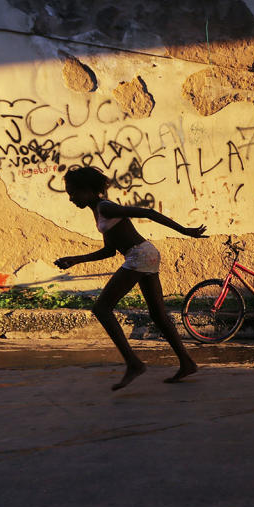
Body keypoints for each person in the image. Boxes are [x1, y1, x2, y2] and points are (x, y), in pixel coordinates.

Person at [54, 166, 207, 391]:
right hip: (146, 254)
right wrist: (75, 259)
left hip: (139, 255)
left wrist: (184, 230)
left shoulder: (105, 206)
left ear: (87, 190)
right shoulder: (98, 210)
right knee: (158, 314)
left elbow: (147, 213)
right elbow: (109, 250)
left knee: (102, 309)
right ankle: (187, 363)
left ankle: (134, 363)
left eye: (73, 192)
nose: (71, 198)